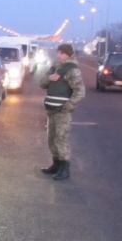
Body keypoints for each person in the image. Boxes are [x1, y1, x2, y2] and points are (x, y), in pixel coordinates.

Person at [38, 43, 86, 180]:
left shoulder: (72, 70)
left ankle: (65, 169)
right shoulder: (54, 68)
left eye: (62, 53)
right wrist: (49, 78)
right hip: (51, 110)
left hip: (62, 111)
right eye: (58, 52)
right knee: (52, 138)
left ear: (69, 55)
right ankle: (56, 164)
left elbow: (80, 92)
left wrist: (67, 107)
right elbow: (42, 83)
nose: (58, 55)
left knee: (61, 139)